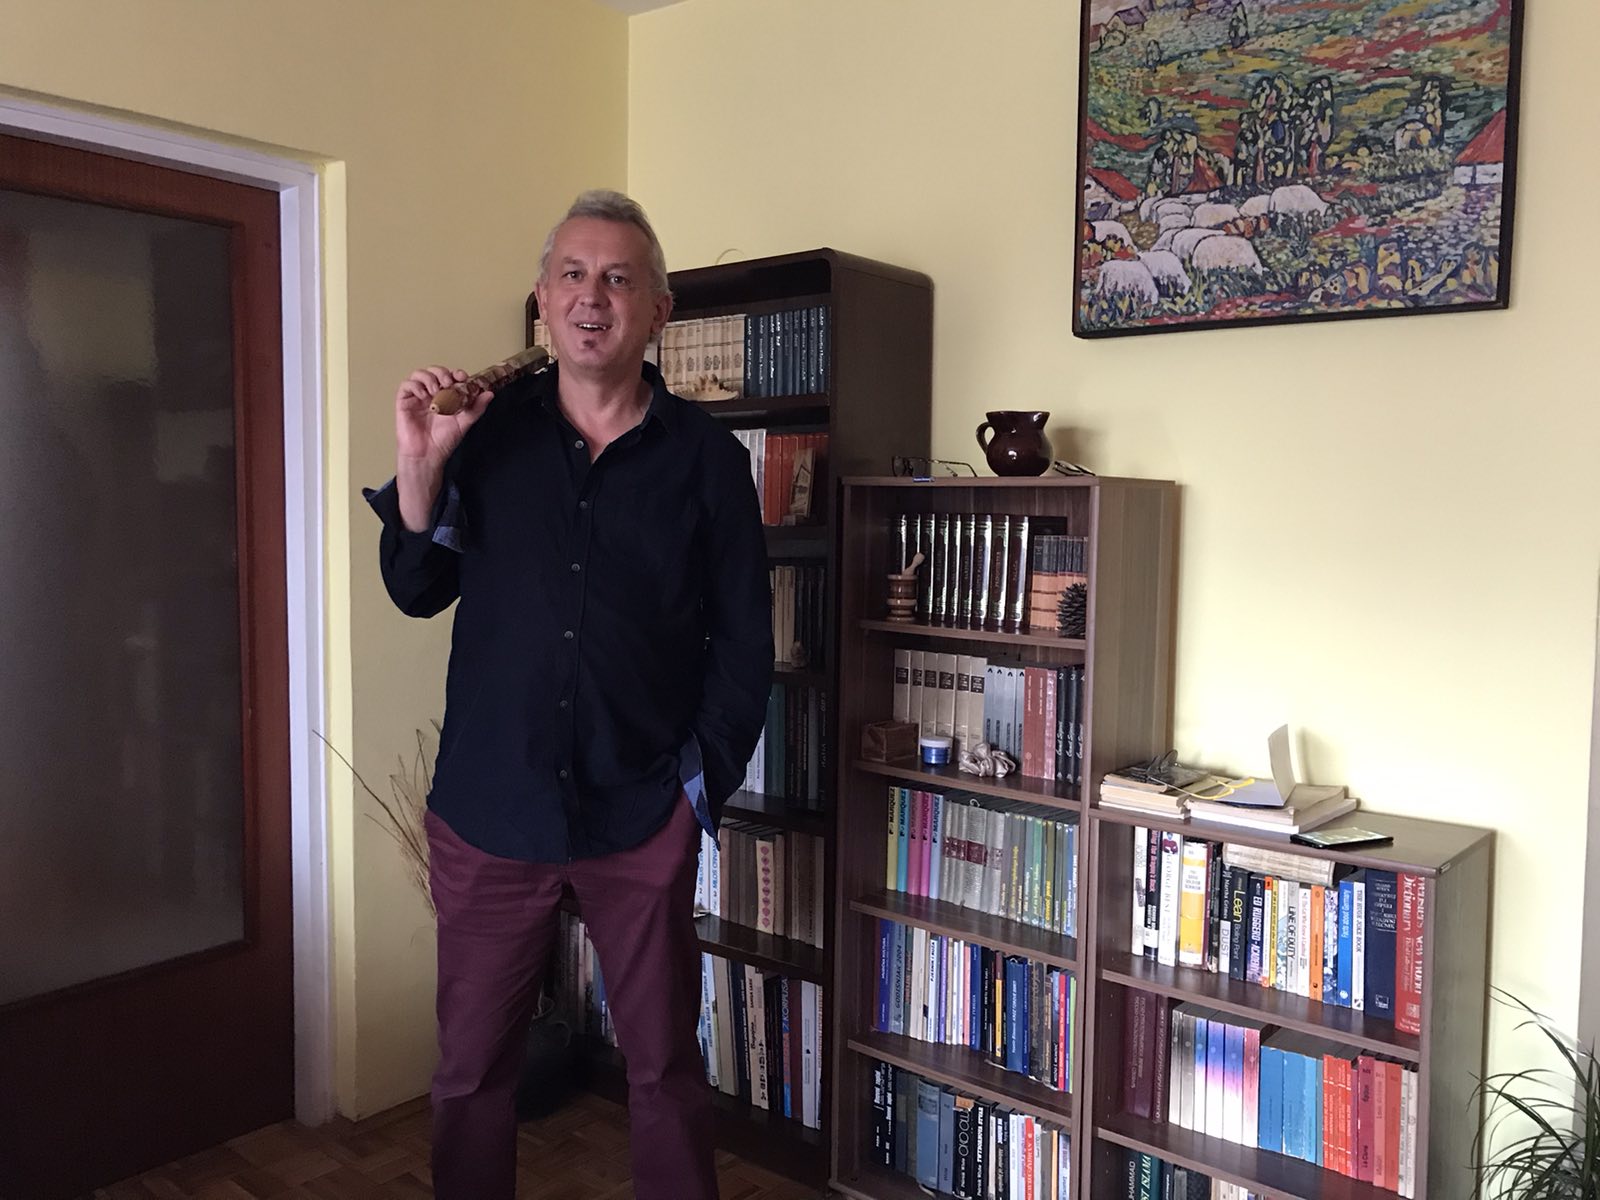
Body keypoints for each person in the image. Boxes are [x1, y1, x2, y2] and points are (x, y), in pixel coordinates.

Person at [364, 190, 772, 1200]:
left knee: (665, 1070)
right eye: (574, 276)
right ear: (543, 300)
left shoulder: (709, 463)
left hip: (640, 813)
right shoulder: (484, 437)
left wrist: (694, 791)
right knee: (470, 1073)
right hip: (489, 812)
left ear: (658, 310)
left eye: (620, 279)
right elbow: (415, 589)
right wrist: (419, 467)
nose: (594, 297)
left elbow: (744, 645)